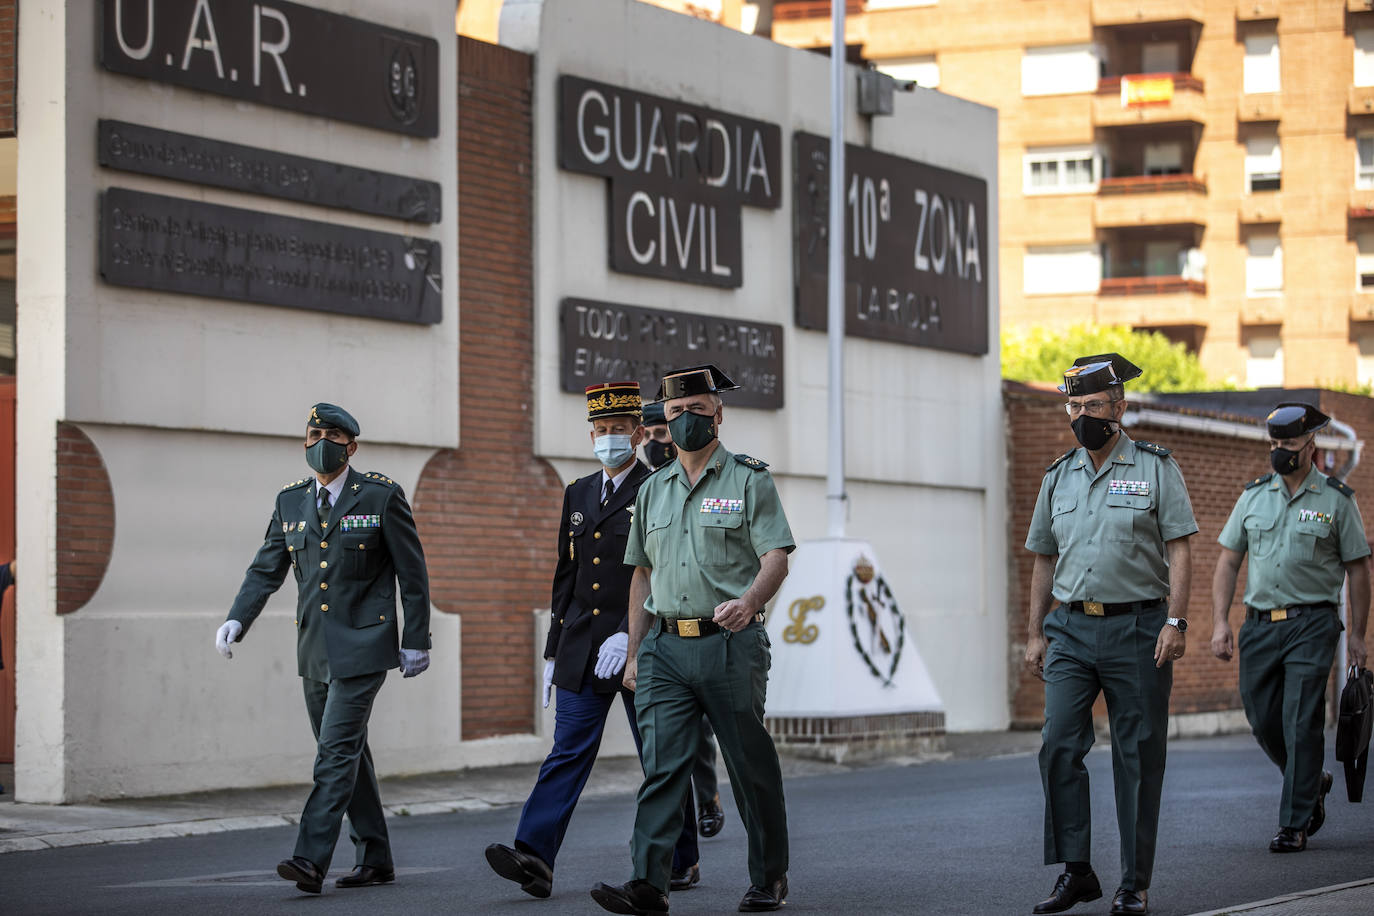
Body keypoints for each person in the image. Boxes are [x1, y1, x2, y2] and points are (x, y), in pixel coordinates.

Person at [591, 365, 794, 916]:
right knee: (662, 770)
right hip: (665, 649)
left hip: (730, 645)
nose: (686, 421)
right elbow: (640, 575)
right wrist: (634, 652)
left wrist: (750, 602)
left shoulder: (749, 479)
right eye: (676, 413)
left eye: (698, 410)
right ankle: (648, 884)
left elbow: (776, 554)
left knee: (749, 768)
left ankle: (769, 876)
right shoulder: (653, 490)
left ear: (718, 414)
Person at [485, 382, 700, 899]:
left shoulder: (662, 486)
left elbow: (668, 572)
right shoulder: (577, 492)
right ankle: (534, 856)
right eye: (601, 431)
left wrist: (630, 632)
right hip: (583, 647)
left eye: (619, 430)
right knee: (567, 750)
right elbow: (567, 575)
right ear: (591, 435)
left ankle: (683, 858)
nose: (609, 438)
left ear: (639, 432)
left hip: (643, 645)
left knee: (658, 756)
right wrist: (553, 648)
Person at [217, 403, 431, 894]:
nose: (321, 442)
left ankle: (309, 859)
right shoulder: (290, 501)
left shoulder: (380, 495)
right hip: (313, 648)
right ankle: (376, 858)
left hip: (365, 643)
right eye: (314, 433)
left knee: (333, 754)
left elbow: (412, 574)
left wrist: (416, 639)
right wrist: (237, 617)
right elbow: (266, 568)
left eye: (332, 435)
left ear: (351, 447)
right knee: (348, 754)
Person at [1023, 354, 1197, 916]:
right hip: (1070, 628)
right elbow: (1044, 559)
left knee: (1138, 757)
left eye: (1091, 406)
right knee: (1056, 746)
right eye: (1072, 406)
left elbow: (1180, 546)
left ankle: (1134, 882)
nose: (1080, 416)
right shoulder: (1058, 476)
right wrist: (1034, 633)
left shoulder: (1154, 468)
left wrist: (1176, 620)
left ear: (1118, 408)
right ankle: (1077, 870)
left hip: (1140, 627)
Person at [1210, 402, 1371, 853]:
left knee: (1301, 719)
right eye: (1275, 444)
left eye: (1290, 444)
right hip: (1259, 626)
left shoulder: (1336, 500)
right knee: (1263, 718)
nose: (1281, 451)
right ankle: (1310, 780)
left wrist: (1358, 634)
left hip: (1312, 624)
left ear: (1310, 444)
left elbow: (1359, 569)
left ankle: (1294, 822)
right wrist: (1220, 622)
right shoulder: (1253, 496)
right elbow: (1227, 561)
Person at [642, 401, 726, 839]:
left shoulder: (719, 479)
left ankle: (707, 796)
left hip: (708, 632)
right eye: (650, 436)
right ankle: (663, 856)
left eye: (663, 434)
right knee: (667, 741)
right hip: (654, 631)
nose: (657, 443)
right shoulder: (646, 489)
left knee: (697, 729)